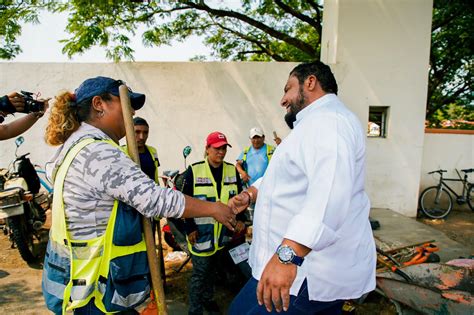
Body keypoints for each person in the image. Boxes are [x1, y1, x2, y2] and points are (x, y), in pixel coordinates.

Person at [41, 76, 237, 315]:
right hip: (95, 290)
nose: (132, 112)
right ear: (99, 104)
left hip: (79, 283)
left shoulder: (73, 145)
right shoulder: (98, 151)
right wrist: (214, 208)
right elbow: (155, 199)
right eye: (125, 103)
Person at [228, 61, 376, 314]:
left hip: (307, 272)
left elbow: (329, 194)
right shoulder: (311, 126)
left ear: (310, 82)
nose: (283, 100)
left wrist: (289, 255)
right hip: (283, 265)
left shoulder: (331, 122)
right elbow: (287, 177)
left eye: (287, 89)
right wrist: (251, 193)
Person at [182, 131, 247, 315]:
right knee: (199, 276)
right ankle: (195, 310)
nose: (221, 152)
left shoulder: (231, 170)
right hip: (201, 235)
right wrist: (190, 228)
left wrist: (241, 220)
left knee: (213, 272)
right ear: (207, 149)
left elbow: (240, 198)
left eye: (224, 148)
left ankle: (208, 300)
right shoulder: (194, 170)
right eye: (217, 148)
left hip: (222, 236)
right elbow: (184, 201)